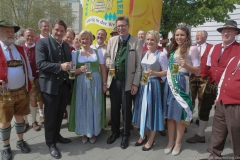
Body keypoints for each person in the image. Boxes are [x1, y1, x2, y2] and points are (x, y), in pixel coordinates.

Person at [186, 20, 240, 145]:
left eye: (229, 31)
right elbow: (209, 66)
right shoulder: (214, 48)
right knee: (204, 108)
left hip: (228, 88)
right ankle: (200, 134)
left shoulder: (238, 49)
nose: (226, 33)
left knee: (225, 113)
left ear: (235, 33)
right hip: (211, 83)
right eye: (224, 31)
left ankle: (226, 139)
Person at [35, 19, 72, 159]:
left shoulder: (66, 46)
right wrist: (59, 67)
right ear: (52, 29)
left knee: (59, 114)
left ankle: (57, 136)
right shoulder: (42, 42)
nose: (59, 32)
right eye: (57, 30)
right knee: (50, 116)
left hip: (64, 85)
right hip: (50, 86)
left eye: (62, 31)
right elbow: (40, 64)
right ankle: (50, 143)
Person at [163, 23, 200, 156]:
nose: (179, 37)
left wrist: (187, 66)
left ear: (187, 36)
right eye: (177, 35)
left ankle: (178, 143)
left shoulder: (192, 49)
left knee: (180, 116)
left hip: (182, 84)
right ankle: (170, 141)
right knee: (171, 116)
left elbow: (198, 70)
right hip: (171, 83)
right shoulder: (172, 50)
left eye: (182, 35)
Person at [106, 16, 142, 149]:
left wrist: (135, 83)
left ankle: (126, 134)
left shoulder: (136, 41)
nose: (120, 28)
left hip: (128, 81)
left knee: (126, 109)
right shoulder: (112, 40)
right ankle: (115, 132)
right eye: (118, 26)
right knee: (114, 108)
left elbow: (139, 65)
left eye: (123, 25)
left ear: (128, 26)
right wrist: (108, 61)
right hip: (114, 80)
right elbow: (108, 56)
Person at [0, 20, 33, 160]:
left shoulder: (20, 49)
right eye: (7, 31)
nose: (10, 33)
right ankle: (6, 147)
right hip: (5, 93)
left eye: (12, 31)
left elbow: (28, 68)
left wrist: (29, 85)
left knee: (20, 117)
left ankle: (20, 141)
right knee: (5, 120)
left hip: (21, 90)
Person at [68, 30, 107, 144]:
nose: (84, 41)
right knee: (82, 106)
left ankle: (93, 131)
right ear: (80, 41)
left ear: (91, 40)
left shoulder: (97, 52)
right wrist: (80, 70)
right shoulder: (75, 53)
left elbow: (103, 70)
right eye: (82, 39)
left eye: (87, 38)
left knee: (94, 105)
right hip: (81, 84)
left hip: (95, 83)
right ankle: (84, 132)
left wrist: (104, 84)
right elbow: (71, 73)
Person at [132, 30, 168, 151]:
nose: (149, 41)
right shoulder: (144, 53)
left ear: (157, 41)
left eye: (152, 39)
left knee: (152, 111)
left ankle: (151, 139)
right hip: (143, 84)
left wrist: (155, 73)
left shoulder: (161, 54)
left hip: (153, 85)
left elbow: (166, 72)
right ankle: (143, 134)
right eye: (148, 39)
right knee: (142, 110)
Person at [200, 56, 240, 160]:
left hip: (236, 103)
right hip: (222, 100)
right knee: (218, 131)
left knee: (236, 134)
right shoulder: (234, 58)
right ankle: (214, 155)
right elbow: (223, 77)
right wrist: (218, 96)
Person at [189, 30, 213, 126]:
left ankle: (200, 117)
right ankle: (189, 116)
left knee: (202, 98)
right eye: (196, 35)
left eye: (200, 36)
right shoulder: (191, 47)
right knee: (191, 97)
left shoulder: (211, 47)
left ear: (205, 37)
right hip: (192, 76)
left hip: (204, 77)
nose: (197, 37)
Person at [22, 28, 43, 132]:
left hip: (36, 79)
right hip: (23, 80)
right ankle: (25, 122)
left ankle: (34, 121)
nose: (30, 38)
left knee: (34, 101)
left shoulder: (38, 48)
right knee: (23, 102)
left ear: (35, 37)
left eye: (32, 36)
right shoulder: (20, 48)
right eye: (28, 35)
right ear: (24, 36)